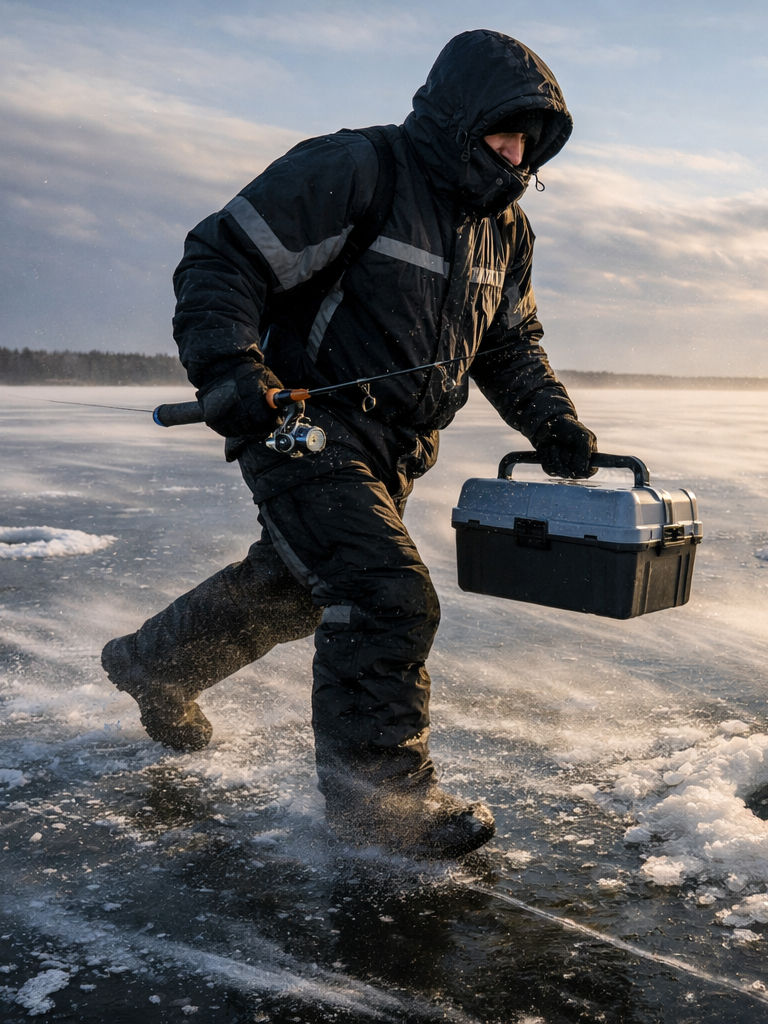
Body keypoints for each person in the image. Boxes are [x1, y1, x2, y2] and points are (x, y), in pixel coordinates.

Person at [100, 30, 597, 860]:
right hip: (302, 426)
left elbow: (509, 346)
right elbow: (223, 258)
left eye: (530, 146)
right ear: (459, 116)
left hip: (397, 447)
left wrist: (552, 422)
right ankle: (380, 805)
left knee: (297, 586)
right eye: (505, 134)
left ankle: (157, 663)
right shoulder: (360, 169)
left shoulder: (503, 232)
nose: (516, 157)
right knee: (385, 593)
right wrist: (229, 366)